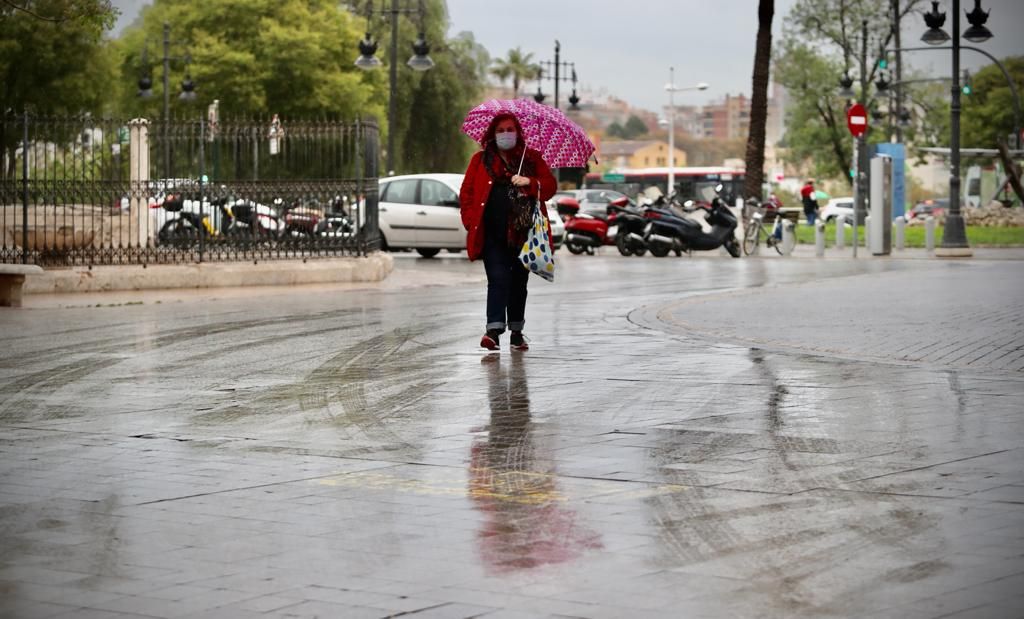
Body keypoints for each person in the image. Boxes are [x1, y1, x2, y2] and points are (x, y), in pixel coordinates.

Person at [460, 113, 557, 351]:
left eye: (510, 129)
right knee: (497, 280)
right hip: (492, 234)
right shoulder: (480, 160)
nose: (506, 134)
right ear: (493, 134)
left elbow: (551, 187)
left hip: (523, 235)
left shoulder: (531, 159)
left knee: (518, 283)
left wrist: (530, 182)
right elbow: (467, 193)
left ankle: (516, 331)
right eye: (501, 130)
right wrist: (471, 221)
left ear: (518, 132)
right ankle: (493, 331)